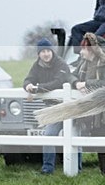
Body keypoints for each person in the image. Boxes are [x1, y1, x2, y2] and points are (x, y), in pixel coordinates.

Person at [70, 32, 105, 175]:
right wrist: (76, 83)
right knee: (97, 140)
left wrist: (86, 84)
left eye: (84, 49)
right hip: (92, 109)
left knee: (102, 141)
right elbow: (71, 76)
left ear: (91, 49)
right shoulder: (83, 64)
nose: (81, 52)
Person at [23, 38, 72, 174]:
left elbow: (58, 82)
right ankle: (47, 169)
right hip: (52, 108)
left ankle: (75, 170)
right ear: (38, 54)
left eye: (48, 51)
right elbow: (29, 78)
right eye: (43, 51)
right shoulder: (37, 66)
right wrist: (28, 86)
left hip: (67, 106)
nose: (46, 54)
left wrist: (38, 88)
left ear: (52, 52)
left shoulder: (61, 64)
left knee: (74, 137)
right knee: (49, 135)